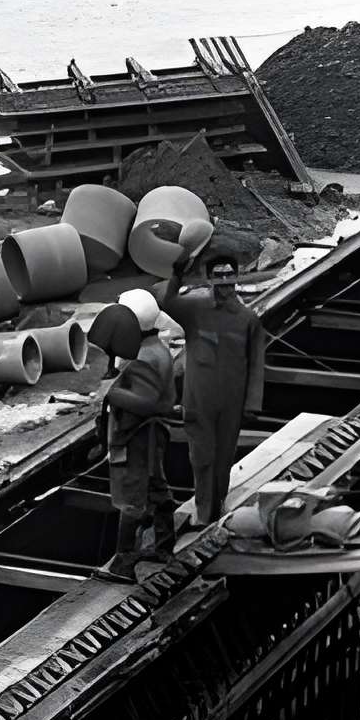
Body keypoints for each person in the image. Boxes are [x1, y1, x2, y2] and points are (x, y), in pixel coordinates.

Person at [158, 226, 266, 522]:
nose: (224, 283)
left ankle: (217, 506)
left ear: (236, 278)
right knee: (201, 457)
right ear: (209, 279)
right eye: (218, 277)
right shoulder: (194, 309)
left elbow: (257, 364)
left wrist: (252, 404)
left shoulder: (248, 320)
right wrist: (177, 274)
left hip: (231, 401)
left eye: (229, 276)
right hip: (198, 400)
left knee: (222, 461)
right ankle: (204, 512)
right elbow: (166, 303)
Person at [96, 299, 179, 578]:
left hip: (137, 434)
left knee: (130, 496)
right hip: (154, 432)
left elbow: (145, 403)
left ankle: (124, 563)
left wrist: (112, 393)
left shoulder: (143, 358)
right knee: (156, 485)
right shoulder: (158, 348)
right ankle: (164, 545)